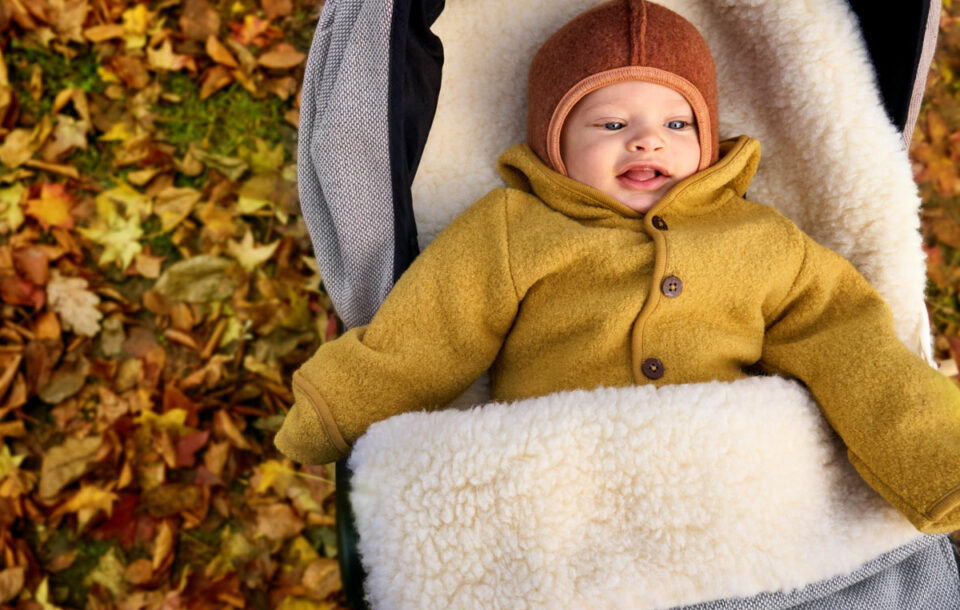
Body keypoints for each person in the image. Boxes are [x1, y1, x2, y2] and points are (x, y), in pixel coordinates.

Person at [275, 0, 960, 533]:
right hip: (562, 485)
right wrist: (339, 411)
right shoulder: (515, 229)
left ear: (709, 142)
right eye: (608, 124)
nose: (645, 138)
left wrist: (933, 456)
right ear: (554, 145)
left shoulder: (759, 239)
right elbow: (430, 335)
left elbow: (850, 345)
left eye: (678, 124)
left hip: (724, 487)